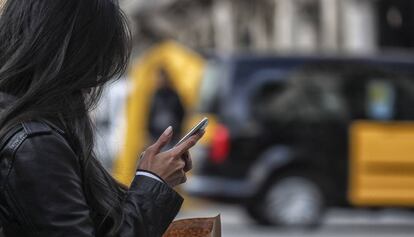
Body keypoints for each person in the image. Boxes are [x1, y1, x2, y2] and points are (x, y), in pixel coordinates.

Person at [0, 0, 204, 237]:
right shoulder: (36, 144)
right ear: (71, 54)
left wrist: (148, 176)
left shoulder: (25, 127)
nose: (95, 78)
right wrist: (153, 183)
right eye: (95, 60)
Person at [148, 68, 185, 144]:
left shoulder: (174, 95)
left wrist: (178, 132)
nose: (159, 80)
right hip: (155, 135)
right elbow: (150, 114)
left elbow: (180, 113)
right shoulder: (155, 95)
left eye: (161, 78)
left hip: (172, 136)